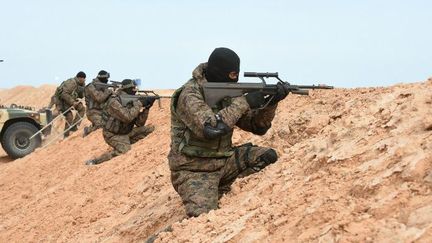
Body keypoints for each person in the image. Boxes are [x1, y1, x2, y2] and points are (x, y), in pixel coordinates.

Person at [168, 47, 290, 217]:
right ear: (220, 72)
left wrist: (271, 102)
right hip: (193, 170)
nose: (235, 79)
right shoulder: (190, 94)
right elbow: (211, 128)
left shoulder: (228, 92)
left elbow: (258, 127)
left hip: (224, 162)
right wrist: (244, 102)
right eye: (233, 75)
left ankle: (229, 195)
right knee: (203, 220)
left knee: (267, 157)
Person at [85, 79, 156, 165]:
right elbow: (127, 117)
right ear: (127, 89)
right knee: (124, 150)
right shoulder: (114, 101)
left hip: (127, 132)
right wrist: (139, 104)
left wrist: (147, 108)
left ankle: (125, 142)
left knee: (150, 129)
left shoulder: (132, 101)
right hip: (112, 134)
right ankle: (96, 161)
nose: (135, 91)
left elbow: (139, 124)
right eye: (133, 89)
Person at [55, 71, 86, 138]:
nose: (84, 80)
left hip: (70, 101)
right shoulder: (71, 83)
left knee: (82, 109)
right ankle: (66, 135)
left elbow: (81, 94)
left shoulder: (81, 84)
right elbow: (64, 94)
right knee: (69, 116)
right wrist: (72, 102)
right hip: (62, 102)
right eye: (83, 79)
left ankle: (74, 126)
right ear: (80, 78)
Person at [83, 70, 113, 137]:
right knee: (101, 125)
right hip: (92, 112)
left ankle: (93, 126)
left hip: (103, 112)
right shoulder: (91, 86)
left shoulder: (104, 87)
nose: (107, 80)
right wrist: (108, 92)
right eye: (106, 78)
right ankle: (88, 130)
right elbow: (99, 98)